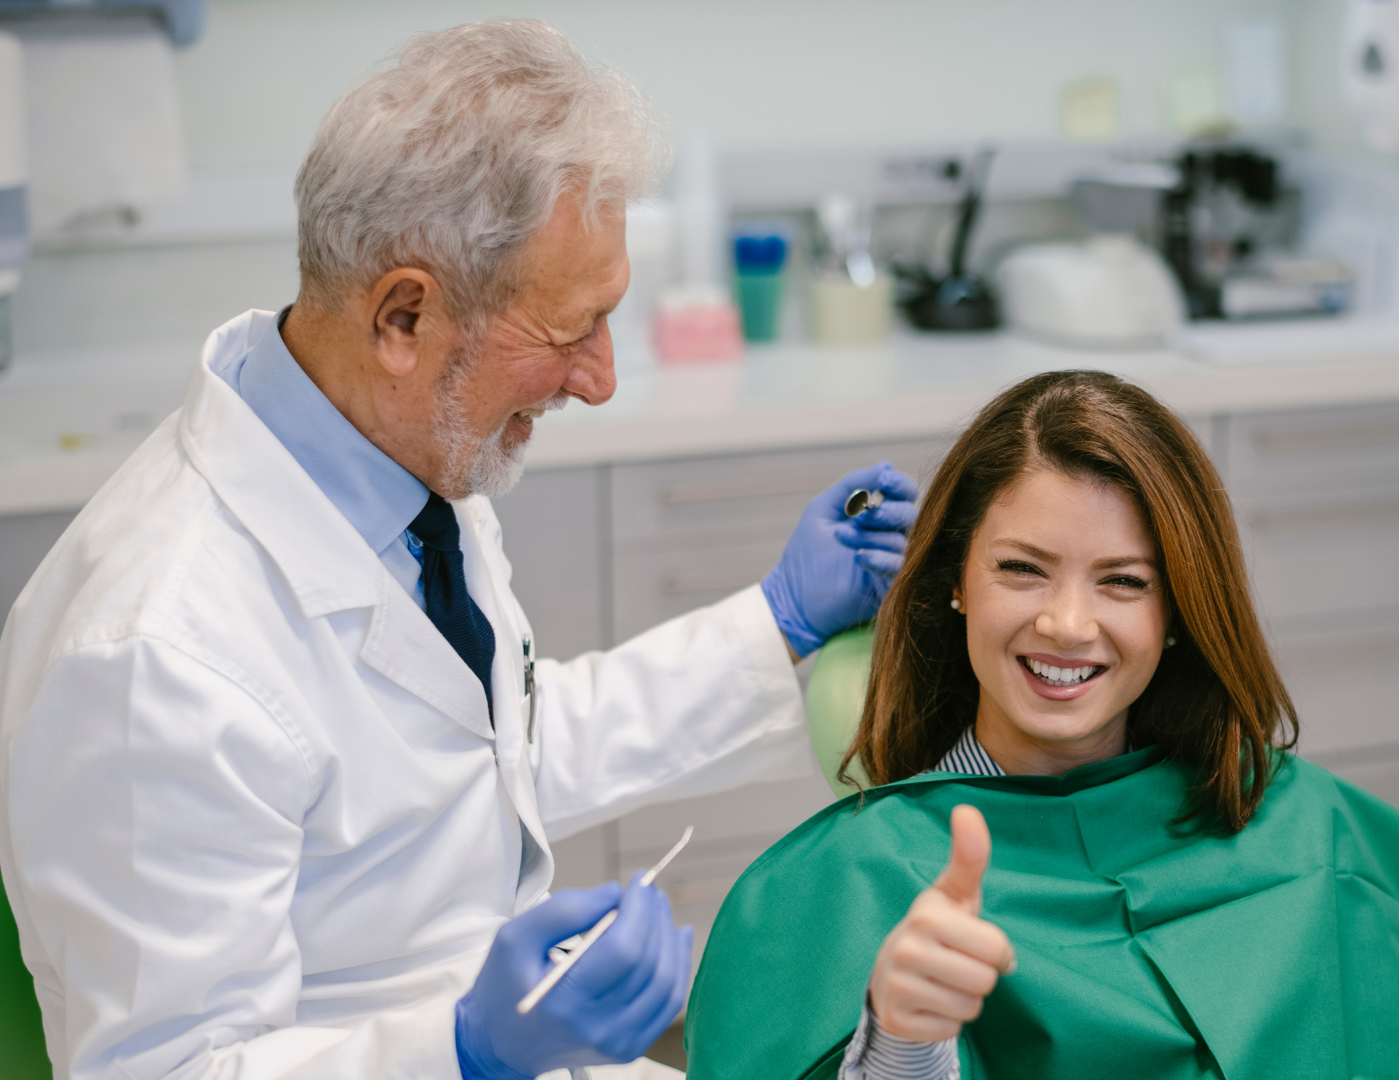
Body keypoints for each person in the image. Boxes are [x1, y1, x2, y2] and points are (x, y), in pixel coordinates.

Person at [0, 21, 917, 1080]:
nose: (601, 378)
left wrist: (778, 620)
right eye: (573, 329)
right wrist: (465, 1050)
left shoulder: (393, 453)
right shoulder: (156, 654)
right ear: (403, 316)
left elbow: (490, 751)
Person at [684, 371, 1399, 1080]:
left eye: (1124, 582)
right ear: (957, 578)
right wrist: (901, 1043)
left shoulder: (1306, 835)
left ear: (1177, 612)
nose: (1068, 624)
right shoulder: (851, 879)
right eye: (1022, 568)